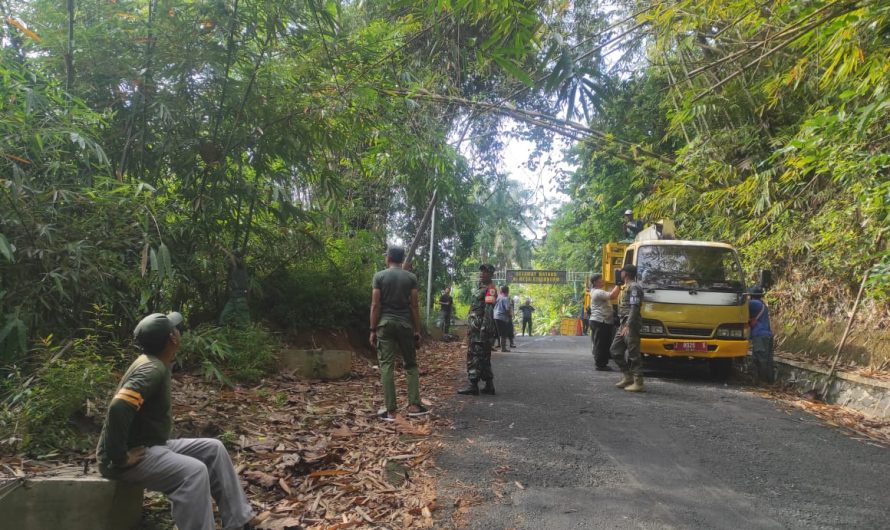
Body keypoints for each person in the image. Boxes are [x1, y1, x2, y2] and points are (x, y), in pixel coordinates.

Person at [96, 312, 259, 530]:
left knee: (214, 448)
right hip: (130, 456)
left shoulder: (153, 362)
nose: (179, 332)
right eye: (176, 329)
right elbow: (119, 406)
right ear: (173, 338)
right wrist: (119, 457)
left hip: (152, 445)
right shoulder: (152, 369)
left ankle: (240, 521)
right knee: (193, 473)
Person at [369, 246, 428, 421]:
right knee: (410, 365)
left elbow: (375, 305)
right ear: (402, 260)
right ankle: (414, 405)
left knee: (387, 366)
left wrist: (372, 329)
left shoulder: (379, 276)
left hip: (385, 325)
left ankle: (391, 411)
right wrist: (417, 330)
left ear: (388, 258)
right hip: (405, 325)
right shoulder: (410, 278)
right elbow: (414, 306)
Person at [458, 264, 497, 396]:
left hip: (481, 328)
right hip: (474, 326)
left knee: (475, 355)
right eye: (481, 271)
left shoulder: (490, 289)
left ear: (491, 274)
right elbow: (473, 307)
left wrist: (484, 328)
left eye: (485, 272)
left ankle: (473, 385)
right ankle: (489, 385)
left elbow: (489, 310)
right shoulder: (480, 288)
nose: (482, 274)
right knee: (484, 356)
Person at [611, 264, 645, 392]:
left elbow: (635, 308)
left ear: (626, 273)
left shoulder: (634, 287)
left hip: (630, 323)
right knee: (615, 350)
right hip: (623, 322)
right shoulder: (625, 287)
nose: (620, 273)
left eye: (622, 271)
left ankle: (639, 382)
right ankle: (628, 376)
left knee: (633, 352)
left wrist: (628, 325)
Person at [589, 274, 620, 371]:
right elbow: (613, 296)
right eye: (600, 280)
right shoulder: (598, 292)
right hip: (600, 321)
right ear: (595, 282)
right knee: (601, 343)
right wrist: (619, 284)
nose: (603, 282)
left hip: (601, 321)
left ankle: (602, 362)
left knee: (603, 343)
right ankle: (600, 364)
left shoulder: (596, 291)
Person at [748, 285, 774, 383]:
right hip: (767, 335)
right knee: (768, 360)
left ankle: (762, 382)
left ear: (751, 295)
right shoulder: (762, 304)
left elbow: (741, 304)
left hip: (760, 335)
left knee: (760, 359)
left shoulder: (753, 304)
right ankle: (769, 381)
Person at [493, 285, 513, 352]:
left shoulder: (498, 297)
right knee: (503, 333)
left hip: (495, 316)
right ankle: (503, 348)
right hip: (502, 317)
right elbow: (507, 309)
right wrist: (509, 316)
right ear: (508, 291)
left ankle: (496, 345)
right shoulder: (505, 298)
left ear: (501, 291)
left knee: (498, 333)